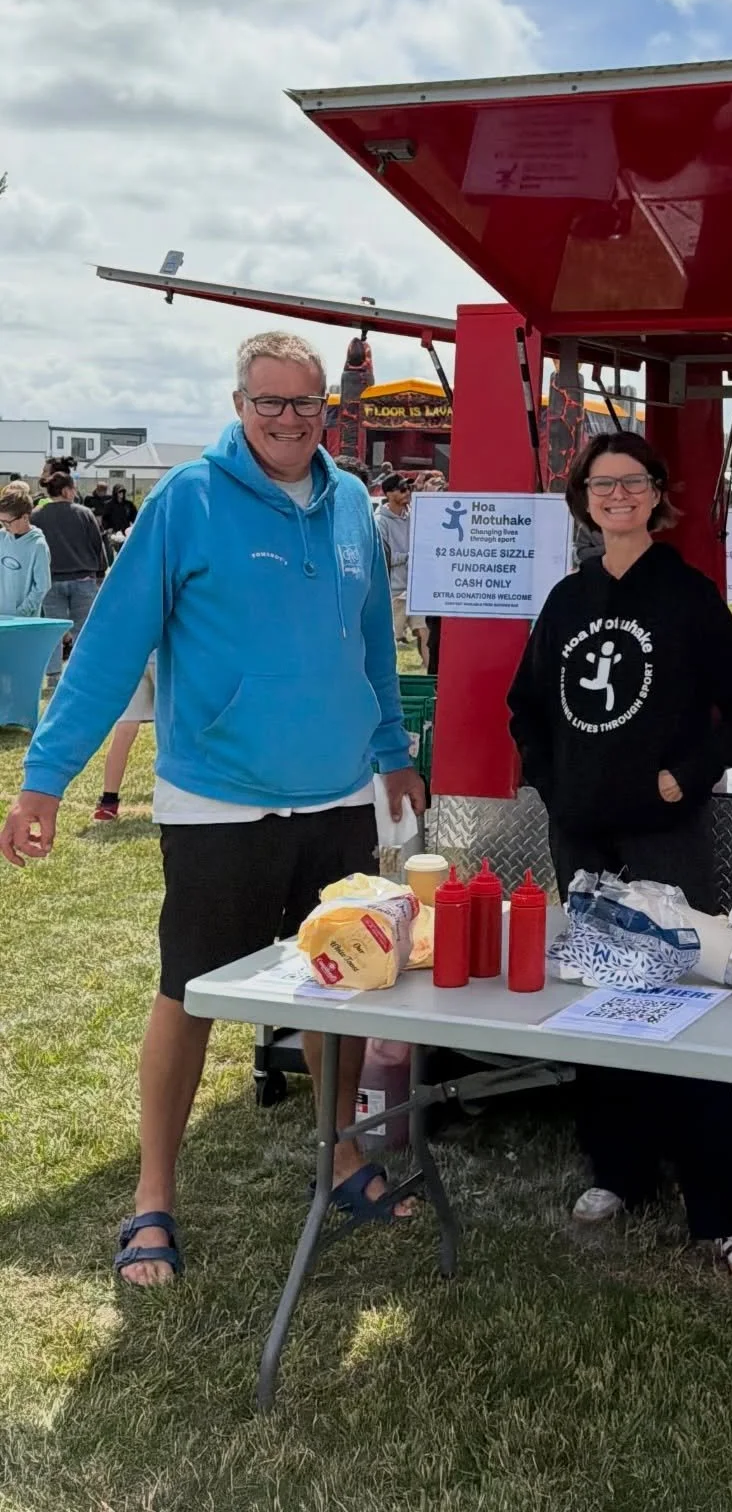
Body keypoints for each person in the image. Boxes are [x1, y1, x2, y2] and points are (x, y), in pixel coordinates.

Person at [0, 330, 426, 1285]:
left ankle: (343, 1158)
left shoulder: (353, 501)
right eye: (268, 402)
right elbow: (110, 645)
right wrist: (46, 776)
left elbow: (371, 642)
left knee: (341, 983)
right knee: (188, 991)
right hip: (217, 800)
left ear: (328, 408)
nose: (287, 419)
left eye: (305, 403)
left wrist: (391, 753)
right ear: (239, 405)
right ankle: (153, 1195)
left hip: (338, 793)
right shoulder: (187, 500)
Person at [507, 430, 732, 1283]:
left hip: (665, 836)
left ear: (658, 496)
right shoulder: (566, 599)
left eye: (633, 483)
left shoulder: (689, 598)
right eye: (601, 483)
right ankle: (617, 1170)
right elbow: (526, 711)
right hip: (583, 836)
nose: (616, 496)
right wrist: (558, 791)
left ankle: (726, 1213)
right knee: (600, 1008)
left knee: (683, 1012)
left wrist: (687, 776)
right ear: (582, 498)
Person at [33, 472, 109, 683]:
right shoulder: (84, 513)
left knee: (54, 631)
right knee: (84, 631)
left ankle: (54, 677)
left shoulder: (37, 515)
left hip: (52, 580)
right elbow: (97, 545)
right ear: (67, 490)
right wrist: (101, 572)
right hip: (83, 579)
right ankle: (83, 675)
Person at [93, 655, 158, 822]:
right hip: (166, 656)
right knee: (175, 729)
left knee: (124, 731)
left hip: (131, 659)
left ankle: (108, 801)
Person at [376, 474, 427, 666]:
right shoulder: (380, 520)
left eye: (408, 488)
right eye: (402, 489)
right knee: (391, 639)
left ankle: (429, 675)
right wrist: (409, 556)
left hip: (416, 589)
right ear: (389, 493)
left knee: (424, 632)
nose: (407, 493)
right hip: (394, 590)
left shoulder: (413, 514)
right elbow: (382, 557)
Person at [0, 488, 52, 616]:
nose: (5, 526)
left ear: (25, 517)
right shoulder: (2, 537)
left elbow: (42, 586)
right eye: (1, 522)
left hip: (23, 620)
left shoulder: (38, 545)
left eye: (8, 522)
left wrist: (21, 613)